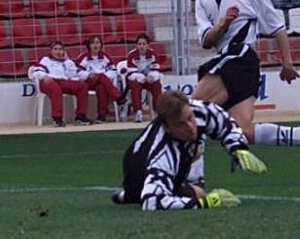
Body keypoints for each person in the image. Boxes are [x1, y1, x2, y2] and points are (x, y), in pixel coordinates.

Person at [190, 0, 300, 194]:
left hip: (241, 58)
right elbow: (206, 42)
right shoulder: (202, 0)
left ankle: (194, 181)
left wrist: (287, 62)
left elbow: (276, 26)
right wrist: (222, 24)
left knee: (192, 112)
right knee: (244, 130)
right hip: (228, 60)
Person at [111, 90, 262, 211]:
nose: (190, 127)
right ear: (167, 128)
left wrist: (237, 147)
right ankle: (131, 195)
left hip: (144, 160)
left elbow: (224, 121)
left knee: (197, 180)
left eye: (190, 118)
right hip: (139, 175)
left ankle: (126, 196)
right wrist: (208, 203)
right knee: (199, 195)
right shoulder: (162, 155)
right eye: (181, 125)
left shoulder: (197, 109)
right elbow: (152, 202)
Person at [29, 41, 96, 127]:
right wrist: (44, 76)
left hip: (62, 81)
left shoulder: (66, 62)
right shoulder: (45, 60)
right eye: (55, 49)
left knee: (82, 86)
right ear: (51, 51)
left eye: (60, 49)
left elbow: (73, 73)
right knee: (56, 89)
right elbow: (36, 71)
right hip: (48, 81)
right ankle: (57, 119)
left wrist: (67, 60)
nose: (58, 51)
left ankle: (80, 116)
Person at [76, 35, 121, 123]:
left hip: (102, 82)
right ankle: (118, 97)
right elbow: (76, 71)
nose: (95, 45)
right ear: (89, 45)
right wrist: (88, 74)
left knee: (102, 87)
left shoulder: (105, 57)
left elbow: (114, 70)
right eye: (92, 43)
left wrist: (105, 76)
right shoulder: (83, 57)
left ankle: (102, 116)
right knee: (101, 76)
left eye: (97, 43)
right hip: (88, 82)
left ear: (101, 45)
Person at [125, 33, 164, 122]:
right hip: (136, 79)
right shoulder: (131, 55)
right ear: (136, 45)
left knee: (157, 85)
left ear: (148, 45)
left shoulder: (153, 54)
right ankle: (138, 112)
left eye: (144, 44)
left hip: (149, 79)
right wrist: (143, 78)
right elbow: (131, 73)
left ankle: (157, 111)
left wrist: (151, 76)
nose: (142, 46)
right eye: (139, 44)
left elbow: (156, 69)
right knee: (134, 85)